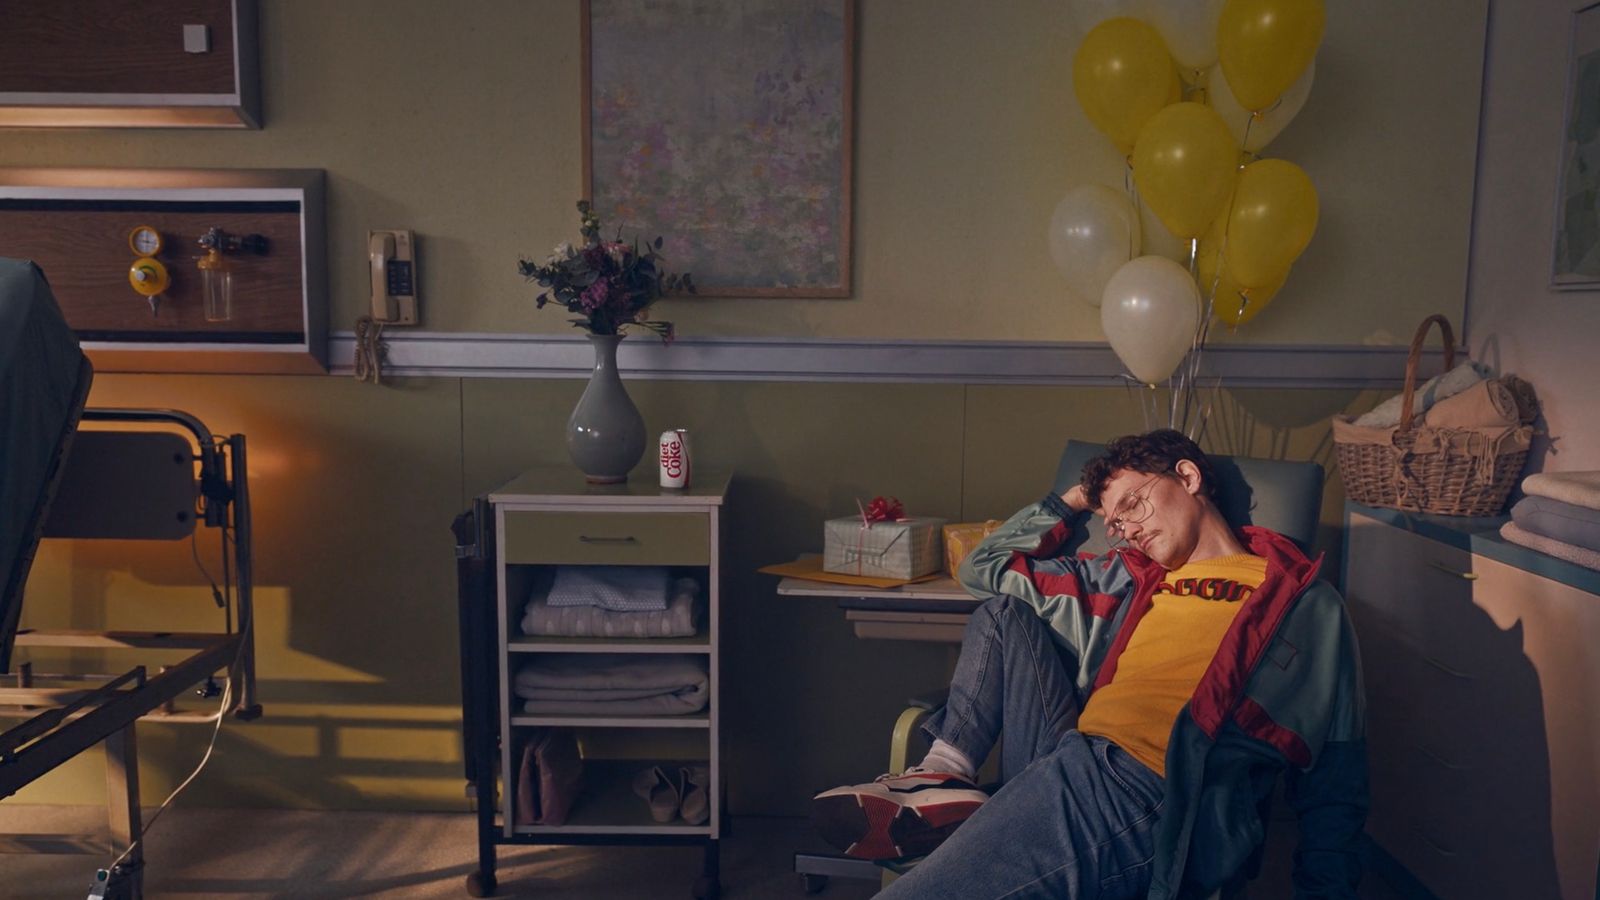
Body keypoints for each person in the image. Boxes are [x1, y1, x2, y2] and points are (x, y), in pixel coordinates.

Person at [811, 429, 1368, 899]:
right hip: (1069, 754)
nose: (1128, 529)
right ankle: (944, 772)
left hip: (1147, 787)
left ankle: (968, 809)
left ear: (1190, 478)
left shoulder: (1303, 606)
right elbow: (983, 567)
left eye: (1133, 505)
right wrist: (1079, 497)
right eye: (1117, 524)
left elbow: (1337, 772)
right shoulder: (1122, 582)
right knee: (1004, 612)